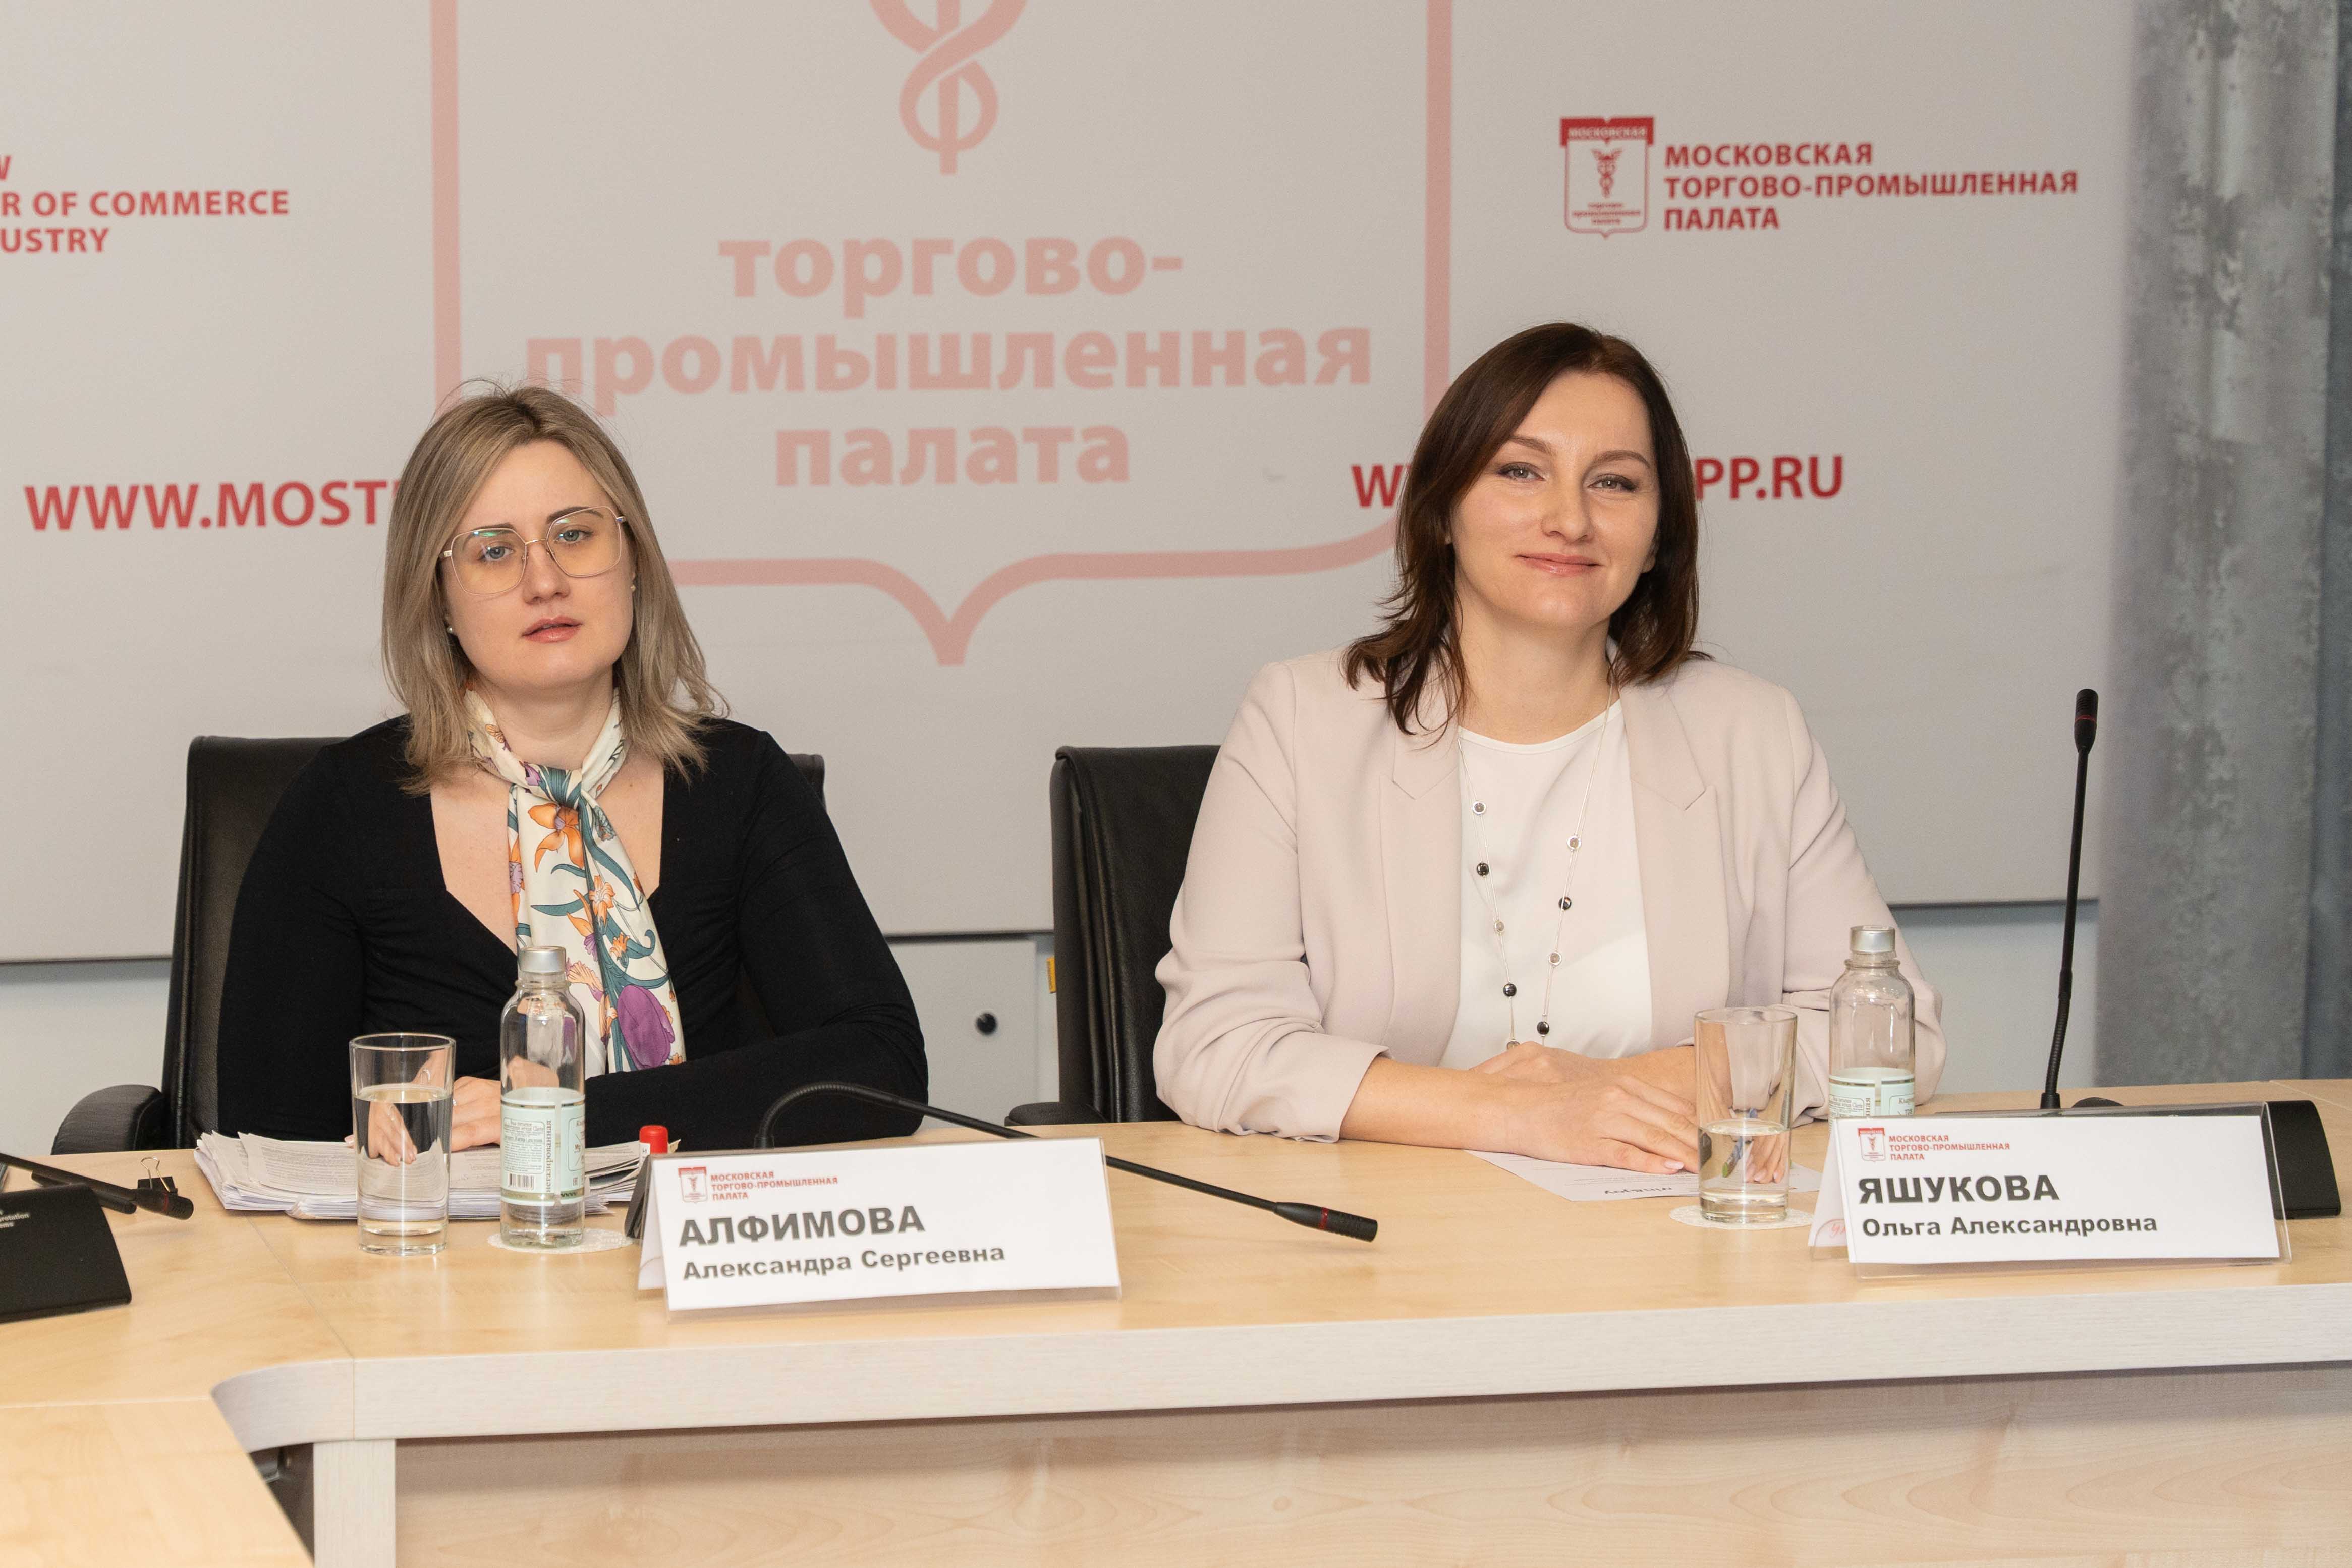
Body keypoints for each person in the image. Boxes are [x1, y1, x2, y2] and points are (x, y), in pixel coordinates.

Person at [1153, 323, 1944, 1172]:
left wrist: (1622, 1089)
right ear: (1441, 508)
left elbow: (1893, 1039)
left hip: (1668, 1218)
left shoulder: (1749, 732)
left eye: (1614, 482)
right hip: (1394, 1226)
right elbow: (1216, 1046)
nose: (1569, 520)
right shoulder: (1304, 719)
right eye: (1520, 471)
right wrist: (1516, 1113)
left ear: (1658, 536)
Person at [216, 385, 924, 1152]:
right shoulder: (341, 811)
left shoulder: (740, 782)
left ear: (633, 561)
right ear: (438, 598)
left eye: (575, 535)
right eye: (493, 551)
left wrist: (565, 1113)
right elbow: (268, 1141)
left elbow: (880, 1067)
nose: (545, 581)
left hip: (686, 1230)